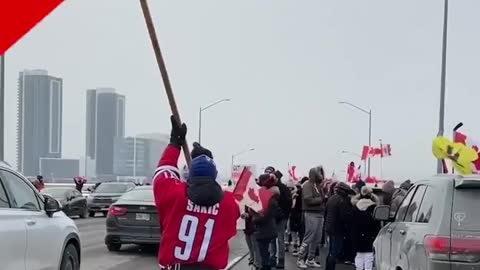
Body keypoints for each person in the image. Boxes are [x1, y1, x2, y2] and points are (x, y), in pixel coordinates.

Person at [153, 116, 240, 270]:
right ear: (214, 175)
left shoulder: (174, 195)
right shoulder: (228, 204)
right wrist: (207, 159)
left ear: (190, 175)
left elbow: (163, 172)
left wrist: (175, 143)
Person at [297, 166, 326, 269]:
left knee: (317, 238)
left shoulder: (318, 186)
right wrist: (320, 199)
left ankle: (310, 258)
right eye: (319, 173)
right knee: (309, 237)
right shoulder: (307, 185)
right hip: (311, 214)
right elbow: (307, 199)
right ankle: (300, 258)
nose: (321, 175)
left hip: (320, 214)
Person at [252, 173, 281, 270]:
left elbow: (264, 216)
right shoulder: (270, 197)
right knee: (265, 253)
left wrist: (254, 219)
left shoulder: (268, 198)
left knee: (263, 255)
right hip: (267, 229)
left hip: (265, 230)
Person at [325, 182, 355, 270]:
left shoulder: (331, 198)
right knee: (335, 252)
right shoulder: (343, 200)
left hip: (330, 227)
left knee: (331, 251)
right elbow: (344, 216)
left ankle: (328, 268)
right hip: (338, 228)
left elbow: (326, 212)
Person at [350, 186, 381, 270]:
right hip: (370, 236)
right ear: (370, 195)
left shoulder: (355, 207)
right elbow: (377, 223)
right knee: (369, 257)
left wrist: (360, 194)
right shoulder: (374, 208)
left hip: (357, 236)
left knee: (359, 256)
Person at [266, 169, 291, 269]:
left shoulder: (283, 189)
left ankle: (280, 259)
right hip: (275, 217)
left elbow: (288, 203)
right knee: (273, 239)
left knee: (279, 239)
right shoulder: (273, 188)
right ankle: (273, 257)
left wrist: (283, 214)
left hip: (280, 217)